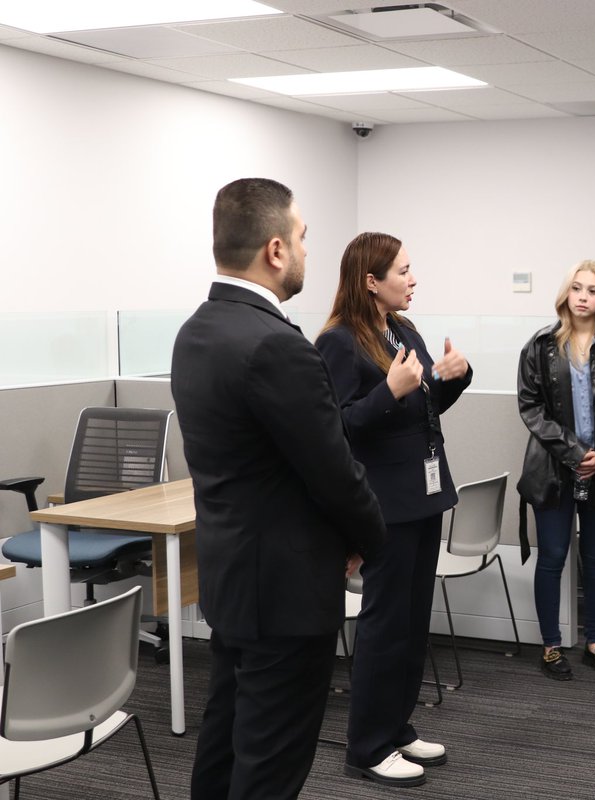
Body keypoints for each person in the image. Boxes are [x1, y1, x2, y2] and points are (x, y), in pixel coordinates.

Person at [173, 178, 387, 800]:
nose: (304, 250)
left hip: (234, 578)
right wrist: (371, 540)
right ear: (274, 249)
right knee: (270, 765)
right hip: (287, 592)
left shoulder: (197, 330)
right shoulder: (276, 345)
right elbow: (333, 470)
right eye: (301, 237)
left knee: (225, 743)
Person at [315, 232, 472, 787]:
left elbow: (422, 408)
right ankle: (365, 746)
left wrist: (452, 379)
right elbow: (336, 427)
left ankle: (396, 727)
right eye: (403, 271)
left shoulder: (404, 329)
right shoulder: (338, 341)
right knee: (383, 625)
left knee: (412, 619)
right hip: (382, 504)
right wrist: (389, 389)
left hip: (424, 494)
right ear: (370, 281)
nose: (413, 279)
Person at [516, 260, 595, 680]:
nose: (584, 296)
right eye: (577, 288)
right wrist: (574, 454)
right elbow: (530, 407)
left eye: (593, 290)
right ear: (566, 294)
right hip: (553, 467)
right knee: (552, 557)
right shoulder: (541, 345)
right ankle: (551, 646)